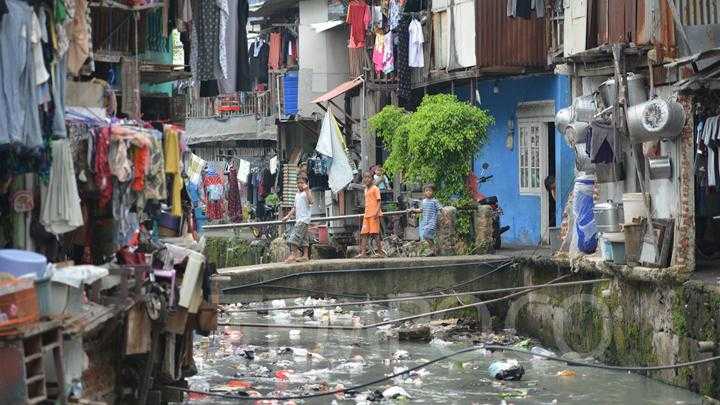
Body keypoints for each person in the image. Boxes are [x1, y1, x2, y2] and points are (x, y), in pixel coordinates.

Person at [282, 176, 314, 263]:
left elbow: (311, 201)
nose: (300, 184)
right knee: (304, 238)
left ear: (306, 184)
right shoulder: (297, 194)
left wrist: (307, 190)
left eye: (302, 183)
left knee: (294, 236)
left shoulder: (307, 192)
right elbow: (294, 208)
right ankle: (305, 256)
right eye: (298, 183)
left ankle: (293, 254)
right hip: (299, 219)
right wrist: (287, 216)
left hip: (304, 220)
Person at [357, 171, 383, 258]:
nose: (366, 179)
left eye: (368, 177)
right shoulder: (365, 189)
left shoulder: (375, 189)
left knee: (375, 234)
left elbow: (379, 202)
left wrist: (376, 212)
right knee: (364, 234)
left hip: (374, 214)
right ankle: (363, 253)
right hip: (367, 214)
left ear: (372, 179)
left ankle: (380, 252)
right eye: (365, 177)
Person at [415, 183, 442, 255]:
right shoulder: (423, 201)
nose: (428, 192)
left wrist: (446, 218)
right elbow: (421, 210)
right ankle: (434, 250)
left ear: (433, 192)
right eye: (426, 191)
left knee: (425, 235)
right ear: (424, 192)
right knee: (427, 236)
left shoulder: (434, 201)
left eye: (430, 191)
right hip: (425, 222)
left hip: (432, 222)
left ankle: (433, 248)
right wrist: (413, 210)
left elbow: (441, 209)